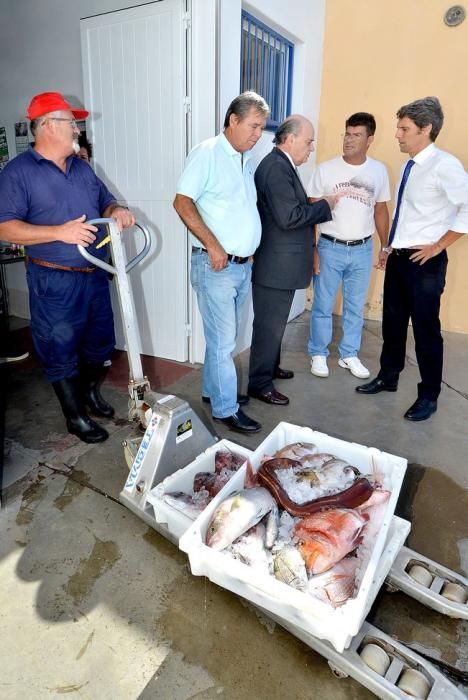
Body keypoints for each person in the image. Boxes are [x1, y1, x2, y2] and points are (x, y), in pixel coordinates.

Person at [0, 91, 135, 443]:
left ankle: (89, 393)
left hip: (93, 276)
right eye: (71, 122)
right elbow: (4, 227)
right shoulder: (18, 173)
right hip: (53, 281)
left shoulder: (82, 168)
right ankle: (75, 417)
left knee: (100, 345)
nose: (77, 129)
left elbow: (105, 200)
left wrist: (115, 210)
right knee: (60, 351)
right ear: (46, 126)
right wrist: (58, 232)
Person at [356, 97, 468, 421]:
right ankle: (388, 377)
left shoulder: (444, 165)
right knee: (392, 325)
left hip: (425, 264)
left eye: (404, 129)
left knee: (425, 331)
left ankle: (428, 396)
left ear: (426, 128)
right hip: (400, 258)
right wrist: (390, 245)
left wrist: (437, 246)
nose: (397, 135)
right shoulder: (410, 164)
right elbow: (407, 215)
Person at [173, 91, 269, 434]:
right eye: (254, 126)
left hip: (241, 266)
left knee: (220, 340)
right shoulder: (208, 153)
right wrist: (213, 245)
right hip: (216, 266)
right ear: (233, 120)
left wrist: (249, 246)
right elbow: (182, 202)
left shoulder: (244, 159)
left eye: (262, 128)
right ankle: (227, 410)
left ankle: (215, 393)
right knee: (225, 342)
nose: (259, 134)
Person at [247, 115, 335, 405]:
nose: (311, 148)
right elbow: (289, 217)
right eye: (309, 142)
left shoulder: (283, 165)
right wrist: (325, 206)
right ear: (291, 138)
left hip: (280, 264)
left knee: (276, 323)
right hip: (275, 265)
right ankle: (260, 383)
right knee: (268, 326)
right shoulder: (275, 168)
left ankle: (269, 368)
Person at [307, 113, 390, 380]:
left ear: (370, 140)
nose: (349, 140)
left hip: (363, 249)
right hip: (330, 246)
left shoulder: (378, 171)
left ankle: (349, 354)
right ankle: (318, 353)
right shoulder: (326, 169)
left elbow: (380, 210)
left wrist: (385, 246)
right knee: (323, 303)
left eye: (357, 135)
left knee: (356, 305)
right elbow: (311, 213)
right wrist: (314, 249)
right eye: (347, 134)